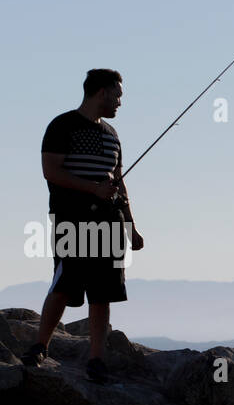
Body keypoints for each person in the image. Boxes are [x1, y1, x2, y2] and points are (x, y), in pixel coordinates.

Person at [22, 68, 145, 383]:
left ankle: (96, 361)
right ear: (101, 93)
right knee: (64, 284)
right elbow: (51, 171)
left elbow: (119, 182)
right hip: (72, 219)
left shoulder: (112, 135)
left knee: (103, 294)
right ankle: (39, 346)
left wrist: (130, 226)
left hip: (110, 222)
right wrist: (93, 189)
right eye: (117, 95)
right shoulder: (62, 126)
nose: (119, 103)